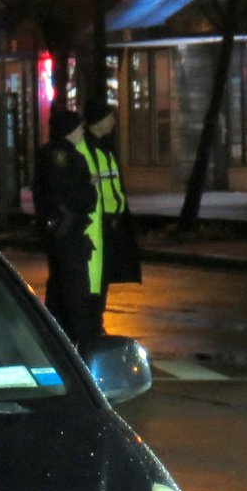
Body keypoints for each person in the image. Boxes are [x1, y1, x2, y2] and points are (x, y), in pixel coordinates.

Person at [33, 107, 102, 342]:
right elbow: (77, 196)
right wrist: (89, 186)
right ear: (70, 130)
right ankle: (79, 344)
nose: (82, 131)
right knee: (74, 291)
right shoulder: (69, 157)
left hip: (56, 232)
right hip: (69, 232)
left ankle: (55, 339)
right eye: (79, 127)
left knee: (58, 288)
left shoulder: (46, 154)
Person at [82, 100, 143, 308]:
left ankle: (97, 313)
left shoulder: (106, 147)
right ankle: (93, 314)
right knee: (98, 271)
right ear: (98, 121)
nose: (114, 121)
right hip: (98, 219)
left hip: (113, 219)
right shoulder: (88, 148)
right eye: (109, 116)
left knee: (106, 271)